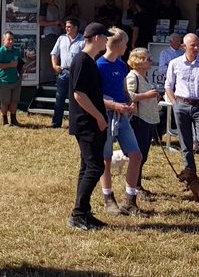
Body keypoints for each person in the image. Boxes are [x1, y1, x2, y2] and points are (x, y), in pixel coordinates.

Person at [95, 28, 147, 217]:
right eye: (125, 44)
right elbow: (95, 96)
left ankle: (129, 199)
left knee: (136, 155)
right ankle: (108, 199)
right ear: (117, 45)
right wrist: (115, 106)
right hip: (108, 116)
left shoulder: (121, 65)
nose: (127, 47)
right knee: (106, 158)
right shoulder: (99, 66)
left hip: (123, 116)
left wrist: (129, 102)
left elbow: (124, 88)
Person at [164, 32, 199, 190]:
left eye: (198, 44)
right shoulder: (175, 63)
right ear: (184, 46)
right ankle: (191, 182)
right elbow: (168, 86)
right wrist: (175, 104)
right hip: (181, 104)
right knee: (186, 145)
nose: (197, 48)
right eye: (193, 45)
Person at [67, 22, 110, 231]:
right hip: (86, 123)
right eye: (104, 37)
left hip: (91, 122)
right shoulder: (82, 60)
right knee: (95, 167)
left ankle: (83, 211)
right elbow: (79, 94)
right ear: (95, 37)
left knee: (87, 167)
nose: (106, 40)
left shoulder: (90, 61)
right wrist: (98, 117)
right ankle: (77, 215)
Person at [124, 47, 160, 201]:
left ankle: (137, 185)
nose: (151, 61)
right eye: (148, 59)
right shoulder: (133, 77)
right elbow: (129, 95)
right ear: (138, 61)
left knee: (143, 155)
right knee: (139, 155)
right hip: (139, 120)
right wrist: (147, 95)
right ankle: (135, 187)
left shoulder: (143, 76)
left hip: (148, 118)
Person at [50, 18, 84, 129]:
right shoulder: (61, 38)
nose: (66, 28)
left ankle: (74, 124)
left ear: (76, 28)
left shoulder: (83, 40)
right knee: (59, 98)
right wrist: (55, 66)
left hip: (76, 74)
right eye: (66, 26)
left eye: (69, 27)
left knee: (75, 100)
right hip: (63, 72)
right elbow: (54, 53)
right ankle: (56, 123)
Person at [0, 31, 21, 127]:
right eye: (9, 39)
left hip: (15, 80)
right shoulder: (0, 52)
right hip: (4, 81)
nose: (11, 41)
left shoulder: (17, 51)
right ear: (3, 40)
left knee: (14, 101)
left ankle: (14, 120)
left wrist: (22, 72)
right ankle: (5, 121)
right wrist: (9, 65)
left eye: (12, 39)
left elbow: (20, 62)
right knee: (5, 102)